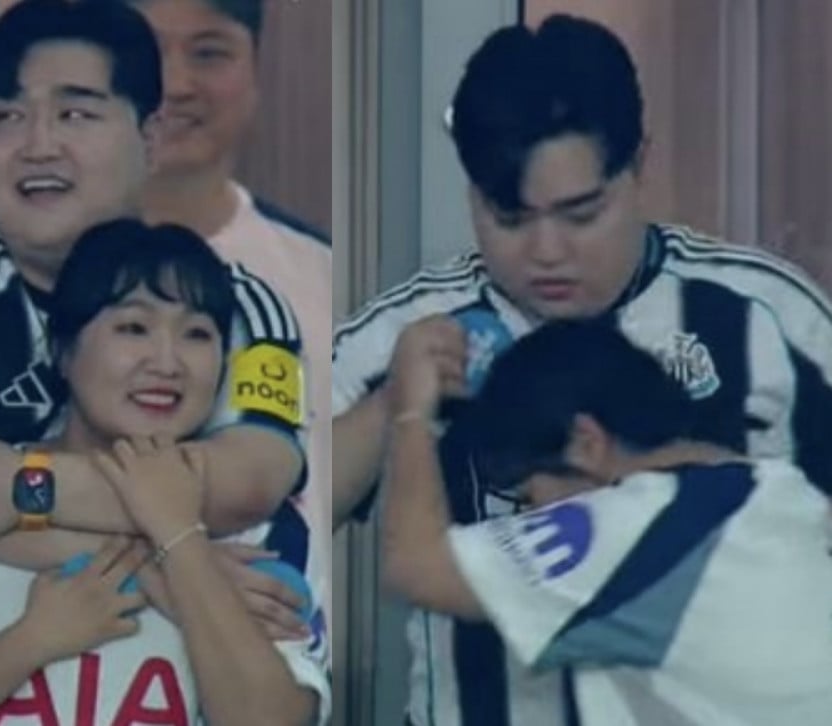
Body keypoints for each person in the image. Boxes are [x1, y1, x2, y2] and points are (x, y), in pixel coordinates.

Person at [332, 14, 832, 726]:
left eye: (581, 213)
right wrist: (393, 405)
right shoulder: (410, 331)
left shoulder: (767, 317)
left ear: (639, 165)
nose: (547, 251)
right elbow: (286, 502)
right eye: (510, 217)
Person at [0, 0, 312, 668]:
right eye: (7, 116)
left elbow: (248, 482)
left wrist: (16, 490)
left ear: (150, 137)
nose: (38, 145)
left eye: (75, 114)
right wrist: (177, 568)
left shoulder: (239, 304)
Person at [0, 220, 330, 726]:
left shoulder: (264, 533)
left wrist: (182, 542)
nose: (167, 362)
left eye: (197, 334)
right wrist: (31, 642)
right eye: (133, 328)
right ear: (62, 350)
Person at [380, 319, 832, 725]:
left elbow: (416, 567)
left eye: (529, 496)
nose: (532, 516)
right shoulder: (782, 494)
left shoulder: (645, 524)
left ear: (585, 443)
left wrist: (411, 412)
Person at [122, 0, 333, 598]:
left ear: (256, 70)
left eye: (209, 53)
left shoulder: (325, 276)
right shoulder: (40, 268)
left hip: (287, 634)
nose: (175, 84)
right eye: (150, 51)